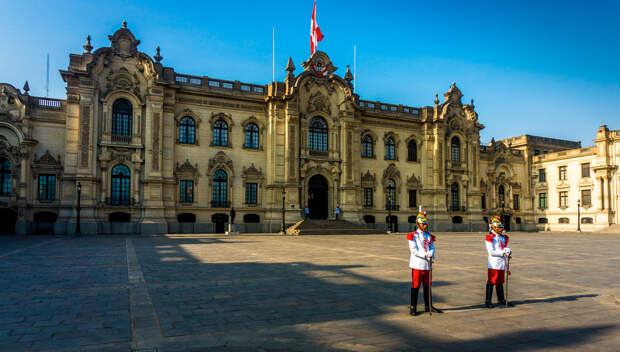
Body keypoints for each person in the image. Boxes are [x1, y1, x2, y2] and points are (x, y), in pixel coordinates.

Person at [407, 211, 443, 316]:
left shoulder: (428, 236)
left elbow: (432, 247)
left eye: (426, 224)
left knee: (427, 286)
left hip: (427, 265)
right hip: (417, 264)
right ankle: (413, 307)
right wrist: (426, 255)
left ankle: (429, 306)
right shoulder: (413, 236)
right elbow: (413, 250)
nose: (425, 225)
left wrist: (431, 253)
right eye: (423, 224)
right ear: (418, 224)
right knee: (416, 285)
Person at [485, 216, 513, 308]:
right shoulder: (490, 238)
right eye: (498, 228)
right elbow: (491, 252)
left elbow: (503, 247)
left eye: (501, 228)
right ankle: (488, 300)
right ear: (493, 227)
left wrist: (508, 251)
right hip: (494, 263)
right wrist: (503, 252)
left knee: (500, 281)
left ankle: (501, 299)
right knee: (492, 281)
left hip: (501, 263)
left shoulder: (502, 237)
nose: (500, 230)